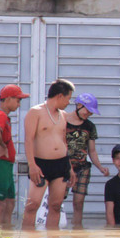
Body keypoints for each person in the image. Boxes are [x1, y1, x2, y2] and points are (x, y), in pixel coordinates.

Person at [22, 79, 75, 230]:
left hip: (61, 164)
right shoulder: (36, 112)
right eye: (68, 98)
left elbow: (64, 142)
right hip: (41, 164)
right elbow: (28, 140)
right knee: (32, 206)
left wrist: (70, 168)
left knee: (56, 205)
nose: (68, 102)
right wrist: (32, 165)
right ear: (59, 96)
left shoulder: (63, 115)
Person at [0, 83, 28, 228]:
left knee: (10, 202)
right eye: (18, 100)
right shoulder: (0, 116)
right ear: (8, 99)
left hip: (6, 166)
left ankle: (6, 237)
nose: (19, 104)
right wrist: (2, 147)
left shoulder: (2, 117)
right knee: (0, 204)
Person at [64, 92, 110, 227]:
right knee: (57, 201)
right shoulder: (62, 121)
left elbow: (92, 150)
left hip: (82, 168)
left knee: (78, 203)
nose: (88, 114)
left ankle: (77, 230)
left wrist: (100, 167)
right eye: (87, 111)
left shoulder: (89, 126)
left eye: (91, 113)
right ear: (79, 105)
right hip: (64, 167)